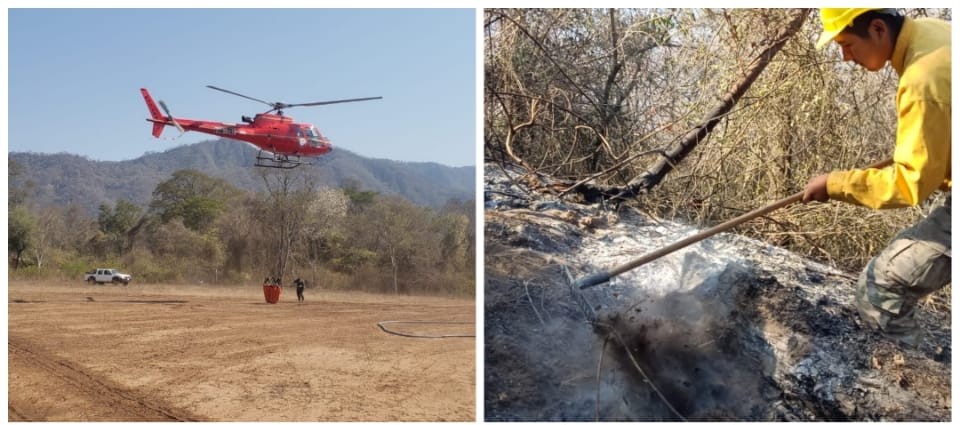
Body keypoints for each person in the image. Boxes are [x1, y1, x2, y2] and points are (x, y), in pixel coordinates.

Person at [803, 8, 950, 347]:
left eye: (848, 44)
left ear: (879, 28)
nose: (845, 56)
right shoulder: (935, 32)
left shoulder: (922, 79)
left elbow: (910, 184)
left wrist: (835, 184)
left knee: (879, 288)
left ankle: (909, 391)